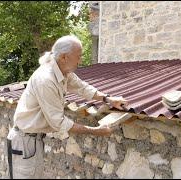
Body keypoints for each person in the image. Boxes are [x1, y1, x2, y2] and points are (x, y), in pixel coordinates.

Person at [7, 35, 128, 179]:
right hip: (24, 143)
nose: (80, 60)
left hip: (33, 141)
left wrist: (108, 99)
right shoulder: (46, 80)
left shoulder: (62, 71)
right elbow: (58, 122)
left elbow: (82, 87)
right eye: (78, 56)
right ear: (64, 57)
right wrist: (95, 131)